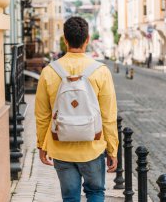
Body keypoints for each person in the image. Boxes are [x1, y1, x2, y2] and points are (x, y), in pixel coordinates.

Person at [35, 17, 118, 202]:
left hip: (61, 147)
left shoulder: (49, 72)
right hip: (92, 146)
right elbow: (108, 116)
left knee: (70, 197)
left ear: (65, 39)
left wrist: (42, 144)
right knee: (95, 193)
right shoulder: (101, 71)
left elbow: (42, 116)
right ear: (87, 39)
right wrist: (112, 149)